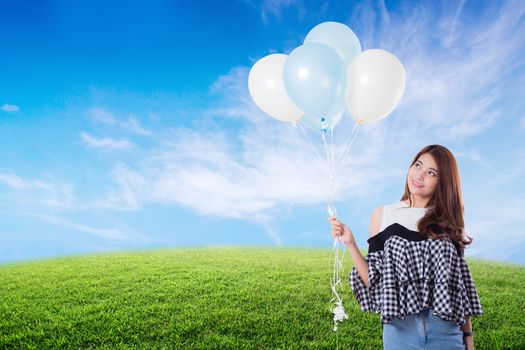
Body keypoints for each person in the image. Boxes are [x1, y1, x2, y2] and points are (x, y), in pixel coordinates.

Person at [328, 144, 483, 350]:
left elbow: (458, 288)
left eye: (431, 172)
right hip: (400, 333)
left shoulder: (450, 222)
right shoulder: (383, 214)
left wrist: (469, 341)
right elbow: (373, 278)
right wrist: (350, 243)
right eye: (418, 165)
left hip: (445, 332)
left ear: (442, 181)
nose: (419, 175)